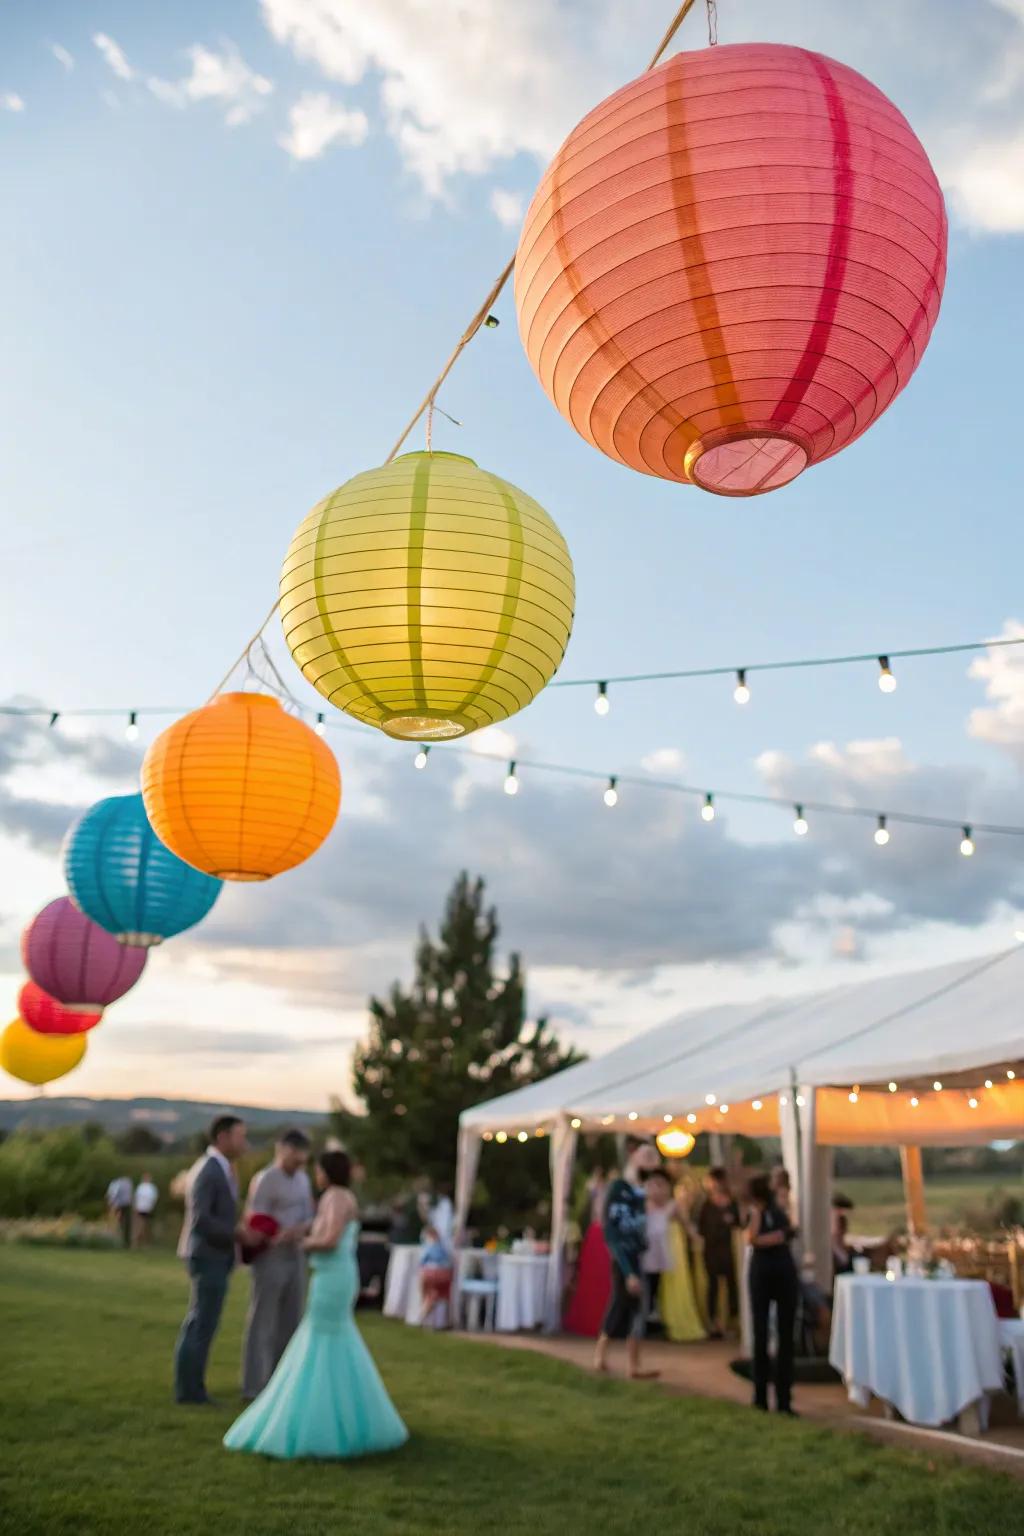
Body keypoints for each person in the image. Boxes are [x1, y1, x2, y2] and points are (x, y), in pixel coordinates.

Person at [223, 1149, 408, 1460]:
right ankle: (344, 1415)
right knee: (334, 1340)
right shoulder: (340, 1197)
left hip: (332, 1278)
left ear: (328, 1172)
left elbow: (331, 1239)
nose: (315, 1174)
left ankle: (317, 1418)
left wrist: (300, 1243)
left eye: (319, 1169)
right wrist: (300, 1231)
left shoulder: (335, 1197)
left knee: (321, 1339)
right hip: (333, 1275)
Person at [174, 1114, 249, 1406]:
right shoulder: (209, 1170)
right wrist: (236, 1235)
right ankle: (190, 1392)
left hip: (215, 1255)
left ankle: (192, 1388)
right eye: (240, 1136)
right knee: (200, 1323)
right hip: (207, 1256)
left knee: (204, 1322)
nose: (244, 1142)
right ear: (222, 1137)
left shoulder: (222, 1169)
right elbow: (201, 1220)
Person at [240, 1129, 316, 1401]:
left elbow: (310, 1216)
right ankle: (253, 1386)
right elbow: (255, 1217)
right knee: (263, 1320)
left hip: (295, 1253)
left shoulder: (303, 1180)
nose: (300, 1162)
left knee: (291, 1320)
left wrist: (299, 1230)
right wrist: (276, 1233)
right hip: (270, 1256)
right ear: (282, 1150)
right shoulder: (265, 1179)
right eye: (295, 1155)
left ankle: (282, 1383)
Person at [594, 1143, 660, 1379]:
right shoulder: (619, 1190)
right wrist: (628, 1270)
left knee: (632, 1309)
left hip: (635, 1256)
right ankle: (606, 1356)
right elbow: (612, 1231)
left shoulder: (638, 1193)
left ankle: (630, 1362)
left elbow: (639, 1226)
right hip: (624, 1258)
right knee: (622, 1305)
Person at [747, 1173, 800, 1415]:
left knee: (786, 1333)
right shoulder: (759, 1211)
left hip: (783, 1269)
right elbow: (753, 1238)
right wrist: (780, 1236)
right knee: (761, 1332)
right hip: (765, 1270)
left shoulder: (783, 1208)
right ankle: (760, 1395)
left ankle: (784, 1398)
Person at [697, 1166, 740, 1338]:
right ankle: (714, 1323)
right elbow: (701, 1226)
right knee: (713, 1286)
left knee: (732, 1286)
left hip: (728, 1250)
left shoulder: (732, 1203)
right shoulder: (706, 1204)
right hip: (712, 1250)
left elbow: (738, 1222)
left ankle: (732, 1322)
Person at [418, 1223, 453, 1325]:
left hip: (432, 1274)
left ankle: (423, 1313)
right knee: (434, 1296)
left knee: (429, 1294)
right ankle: (427, 1317)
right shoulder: (443, 1247)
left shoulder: (429, 1246)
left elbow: (422, 1261)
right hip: (445, 1275)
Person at [106, 1173, 134, 1249]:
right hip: (125, 1205)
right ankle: (125, 1242)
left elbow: (112, 1194)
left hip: (119, 1205)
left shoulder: (116, 1183)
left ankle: (120, 1241)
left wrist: (111, 1203)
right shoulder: (128, 1183)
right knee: (125, 1224)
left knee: (119, 1223)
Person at [133, 1172, 158, 1247]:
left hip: (147, 1208)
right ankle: (139, 1241)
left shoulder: (151, 1188)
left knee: (144, 1224)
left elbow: (153, 1199)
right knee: (141, 1224)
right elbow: (137, 1197)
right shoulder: (141, 1187)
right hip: (140, 1208)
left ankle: (141, 1241)